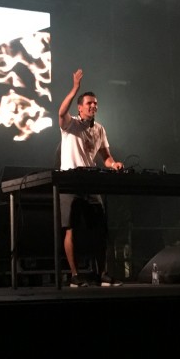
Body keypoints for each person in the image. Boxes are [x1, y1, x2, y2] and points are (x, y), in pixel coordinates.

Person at [58, 68, 124, 287]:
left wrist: (113, 164)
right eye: (89, 103)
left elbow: (105, 156)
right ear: (80, 107)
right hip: (70, 183)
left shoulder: (100, 129)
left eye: (95, 103)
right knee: (71, 229)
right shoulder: (71, 125)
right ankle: (75, 276)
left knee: (100, 230)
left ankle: (102, 274)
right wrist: (75, 88)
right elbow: (61, 112)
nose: (93, 106)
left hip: (91, 183)